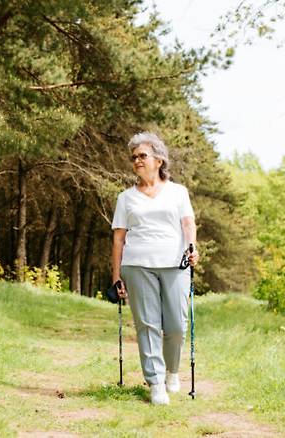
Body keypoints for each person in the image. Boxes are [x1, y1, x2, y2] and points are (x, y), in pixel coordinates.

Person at [111, 132, 199, 405]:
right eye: (134, 157)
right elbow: (118, 237)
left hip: (174, 264)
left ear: (159, 160)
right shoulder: (126, 198)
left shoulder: (178, 192)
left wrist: (193, 246)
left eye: (142, 155)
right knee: (147, 325)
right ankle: (155, 382)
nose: (137, 160)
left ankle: (172, 370)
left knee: (175, 326)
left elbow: (188, 224)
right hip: (137, 265)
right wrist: (116, 275)